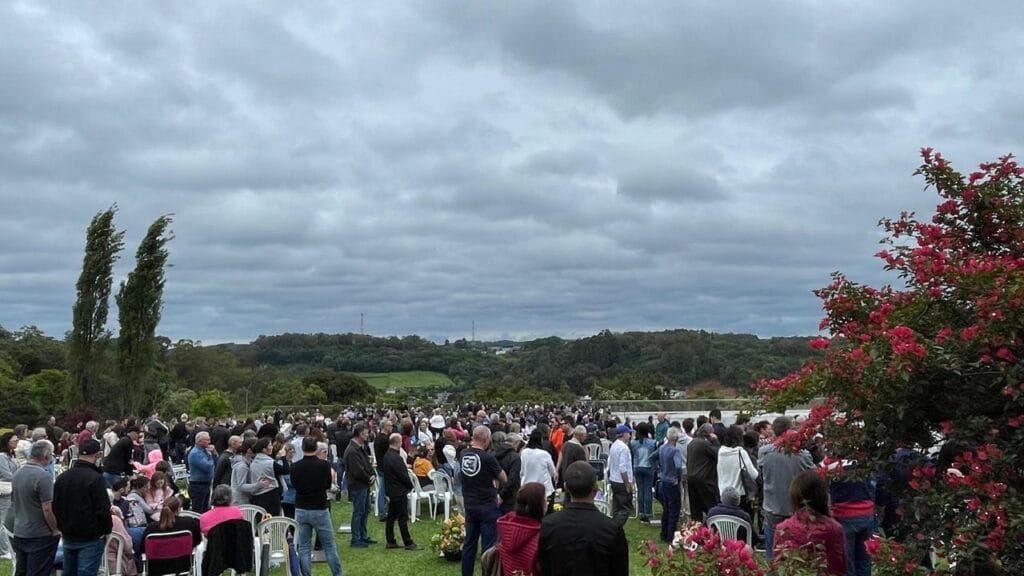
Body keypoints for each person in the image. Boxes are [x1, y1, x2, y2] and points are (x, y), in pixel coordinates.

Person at [539, 461, 628, 576]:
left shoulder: (548, 525)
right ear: (595, 488)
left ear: (566, 487)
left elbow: (544, 567)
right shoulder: (611, 529)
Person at [758, 416, 815, 561]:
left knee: (773, 556)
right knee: (799, 556)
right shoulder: (803, 455)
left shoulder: (764, 453)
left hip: (773, 509)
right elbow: (815, 476)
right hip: (797, 510)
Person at [53, 439, 112, 576]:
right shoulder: (96, 478)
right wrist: (106, 530)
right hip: (90, 536)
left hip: (68, 534)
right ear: (98, 455)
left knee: (69, 572)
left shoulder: (62, 477)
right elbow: (102, 509)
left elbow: (56, 505)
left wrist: (61, 526)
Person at [774, 470, 847, 576]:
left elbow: (778, 567)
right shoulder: (834, 529)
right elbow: (839, 567)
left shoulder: (783, 528)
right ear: (822, 497)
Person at [5, 439, 61, 576]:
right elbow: (47, 509)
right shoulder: (43, 476)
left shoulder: (18, 472)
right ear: (47, 456)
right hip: (39, 534)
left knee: (22, 570)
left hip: (20, 530)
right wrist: (55, 529)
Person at [459, 424, 507, 576]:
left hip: (470, 505)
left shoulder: (463, 454)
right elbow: (503, 478)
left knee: (469, 545)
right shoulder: (488, 458)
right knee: (488, 547)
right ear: (486, 439)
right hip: (487, 506)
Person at [292, 436, 343, 576]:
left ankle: (307, 574)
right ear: (316, 448)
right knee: (329, 546)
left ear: (302, 449)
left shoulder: (295, 466)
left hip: (301, 508)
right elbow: (328, 484)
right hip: (319, 507)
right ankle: (337, 574)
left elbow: (295, 485)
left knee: (304, 547)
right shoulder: (324, 465)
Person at [497, 482, 545, 576]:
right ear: (538, 505)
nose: (546, 503)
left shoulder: (507, 530)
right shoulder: (539, 538)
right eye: (544, 499)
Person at [381, 433, 418, 551]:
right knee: (402, 517)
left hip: (391, 490)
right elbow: (403, 475)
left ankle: (390, 540)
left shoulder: (387, 455)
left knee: (391, 516)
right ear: (397, 442)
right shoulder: (396, 458)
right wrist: (410, 485)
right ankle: (408, 542)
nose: (402, 443)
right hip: (398, 491)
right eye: (401, 441)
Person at [343, 422, 376, 548]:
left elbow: (366, 464)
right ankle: (356, 539)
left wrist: (372, 475)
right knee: (358, 512)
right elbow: (357, 470)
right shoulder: (352, 450)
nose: (368, 435)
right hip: (358, 485)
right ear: (360, 434)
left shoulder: (359, 448)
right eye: (366, 433)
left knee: (365, 510)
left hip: (363, 485)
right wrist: (369, 478)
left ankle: (363, 535)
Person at [716, 425, 759, 511]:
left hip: (723, 493)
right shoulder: (741, 452)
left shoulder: (720, 452)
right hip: (739, 495)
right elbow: (753, 475)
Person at [687, 423, 719, 523]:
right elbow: (718, 454)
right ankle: (713, 526)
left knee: (695, 508)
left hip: (691, 477)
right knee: (710, 505)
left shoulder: (692, 442)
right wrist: (715, 441)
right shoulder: (705, 444)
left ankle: (696, 529)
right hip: (704, 479)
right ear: (709, 433)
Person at [657, 426, 684, 543]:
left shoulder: (662, 448)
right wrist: (679, 478)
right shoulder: (675, 451)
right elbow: (678, 466)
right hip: (672, 481)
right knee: (674, 509)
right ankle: (671, 535)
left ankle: (664, 533)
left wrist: (660, 470)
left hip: (664, 479)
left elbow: (654, 457)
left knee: (666, 508)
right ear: (675, 438)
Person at [519, 429, 556, 508]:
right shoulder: (545, 454)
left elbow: (522, 471)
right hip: (544, 489)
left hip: (526, 487)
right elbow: (553, 472)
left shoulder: (524, 452)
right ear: (541, 440)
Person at [607, 423, 635, 527]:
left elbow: (610, 463)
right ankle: (615, 529)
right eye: (629, 433)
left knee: (616, 507)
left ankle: (614, 529)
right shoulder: (624, 448)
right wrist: (627, 483)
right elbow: (623, 468)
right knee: (626, 509)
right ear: (624, 434)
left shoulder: (614, 445)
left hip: (614, 479)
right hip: (621, 481)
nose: (630, 436)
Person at [0, 431, 20, 560]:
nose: (17, 442)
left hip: (12, 490)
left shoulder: (12, 456)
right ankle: (4, 549)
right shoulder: (2, 457)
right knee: (3, 521)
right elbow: (7, 474)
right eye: (14, 440)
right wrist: (20, 479)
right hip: (5, 491)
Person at [631, 422, 657, 522]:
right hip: (648, 467)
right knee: (648, 490)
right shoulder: (652, 442)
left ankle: (641, 511)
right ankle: (648, 512)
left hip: (637, 467)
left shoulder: (633, 443)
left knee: (640, 490)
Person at [188, 431, 216, 513]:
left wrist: (213, 453)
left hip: (205, 484)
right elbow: (208, 467)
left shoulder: (204, 451)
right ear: (199, 441)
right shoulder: (195, 453)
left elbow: (216, 462)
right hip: (198, 486)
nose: (209, 442)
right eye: (207, 440)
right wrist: (210, 456)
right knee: (198, 511)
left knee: (205, 510)